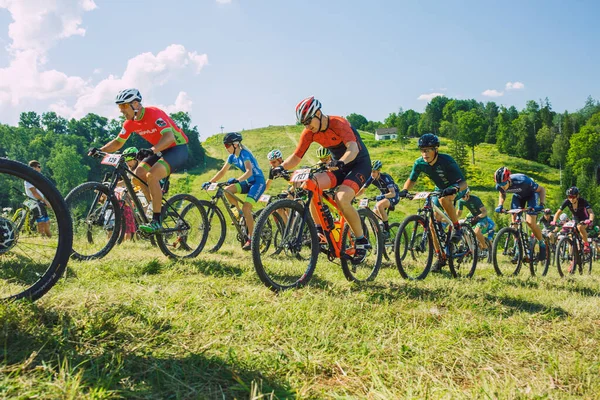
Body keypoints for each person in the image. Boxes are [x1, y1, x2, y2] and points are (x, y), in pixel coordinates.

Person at [273, 96, 372, 264]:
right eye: (304, 123)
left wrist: (341, 162)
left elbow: (353, 149)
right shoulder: (309, 132)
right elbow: (296, 157)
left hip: (358, 164)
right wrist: (281, 167)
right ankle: (320, 232)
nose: (307, 126)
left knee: (341, 198)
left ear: (318, 113)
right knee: (310, 184)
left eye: (308, 121)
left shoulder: (338, 123)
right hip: (337, 166)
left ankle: (362, 240)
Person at [88, 88, 189, 234]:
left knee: (151, 175)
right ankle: (153, 207)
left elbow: (169, 138)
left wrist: (152, 150)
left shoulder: (155, 113)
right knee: (138, 175)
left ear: (135, 104)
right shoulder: (129, 123)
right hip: (160, 149)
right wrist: (100, 150)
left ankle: (156, 220)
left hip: (177, 148)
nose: (121, 110)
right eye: (119, 107)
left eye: (124, 106)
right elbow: (117, 142)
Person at [398, 134, 468, 271]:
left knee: (443, 199)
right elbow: (412, 179)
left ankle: (457, 228)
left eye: (428, 150)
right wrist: (405, 190)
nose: (425, 153)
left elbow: (464, 183)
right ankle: (440, 256)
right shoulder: (419, 163)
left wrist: (454, 188)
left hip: (457, 187)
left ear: (436, 149)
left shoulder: (447, 161)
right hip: (440, 189)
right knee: (431, 223)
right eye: (422, 150)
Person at [202, 132, 266, 250]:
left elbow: (249, 172)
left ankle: (252, 239)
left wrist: (237, 180)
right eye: (225, 146)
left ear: (235, 144)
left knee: (247, 207)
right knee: (227, 190)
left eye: (227, 146)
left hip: (258, 182)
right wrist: (210, 182)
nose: (226, 148)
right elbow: (222, 172)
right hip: (248, 182)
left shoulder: (245, 154)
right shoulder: (232, 157)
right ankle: (240, 215)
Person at [494, 166, 547, 260]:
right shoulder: (500, 185)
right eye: (500, 184)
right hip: (518, 197)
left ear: (509, 179)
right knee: (514, 222)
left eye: (504, 183)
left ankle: (542, 244)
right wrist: (500, 205)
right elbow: (502, 193)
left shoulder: (523, 180)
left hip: (531, 195)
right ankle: (518, 249)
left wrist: (542, 205)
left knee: (530, 222)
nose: (502, 186)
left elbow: (541, 189)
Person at [356, 160, 398, 238]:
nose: (372, 174)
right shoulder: (371, 178)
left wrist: (382, 196)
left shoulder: (386, 177)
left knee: (379, 205)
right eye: (371, 172)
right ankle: (380, 237)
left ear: (379, 171)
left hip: (393, 196)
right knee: (373, 216)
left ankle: (386, 230)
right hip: (383, 196)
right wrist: (353, 196)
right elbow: (362, 190)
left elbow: (393, 193)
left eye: (374, 172)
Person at [552, 186, 595, 253]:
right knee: (570, 231)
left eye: (573, 197)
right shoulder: (567, 202)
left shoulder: (582, 201)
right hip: (575, 219)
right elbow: (558, 212)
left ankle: (586, 244)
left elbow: (591, 212)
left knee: (580, 227)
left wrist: (590, 220)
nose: (571, 199)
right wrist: (554, 221)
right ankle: (573, 253)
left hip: (584, 219)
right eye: (569, 197)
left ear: (577, 196)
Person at [456, 188, 493, 257]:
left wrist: (477, 217)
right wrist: (452, 219)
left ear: (468, 194)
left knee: (476, 232)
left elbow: (484, 212)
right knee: (462, 227)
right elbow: (459, 213)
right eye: (461, 197)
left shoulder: (475, 199)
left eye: (463, 196)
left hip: (482, 218)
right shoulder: (461, 201)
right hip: (472, 217)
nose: (462, 198)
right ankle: (468, 246)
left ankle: (485, 248)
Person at [24, 160, 51, 237]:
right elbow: (34, 193)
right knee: (41, 222)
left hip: (40, 201)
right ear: (34, 168)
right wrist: (45, 201)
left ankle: (49, 237)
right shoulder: (29, 179)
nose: (40, 169)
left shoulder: (37, 178)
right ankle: (42, 237)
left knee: (47, 221)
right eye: (39, 167)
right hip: (35, 202)